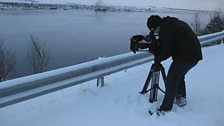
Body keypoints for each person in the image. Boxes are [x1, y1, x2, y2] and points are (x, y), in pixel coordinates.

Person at [134, 15, 203, 115]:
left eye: (153, 30)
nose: (154, 33)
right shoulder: (171, 24)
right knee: (178, 76)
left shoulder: (167, 30)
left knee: (171, 80)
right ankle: (181, 99)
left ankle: (165, 109)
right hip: (193, 55)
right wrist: (150, 39)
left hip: (186, 57)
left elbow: (166, 52)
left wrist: (156, 56)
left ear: (156, 26)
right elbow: (166, 42)